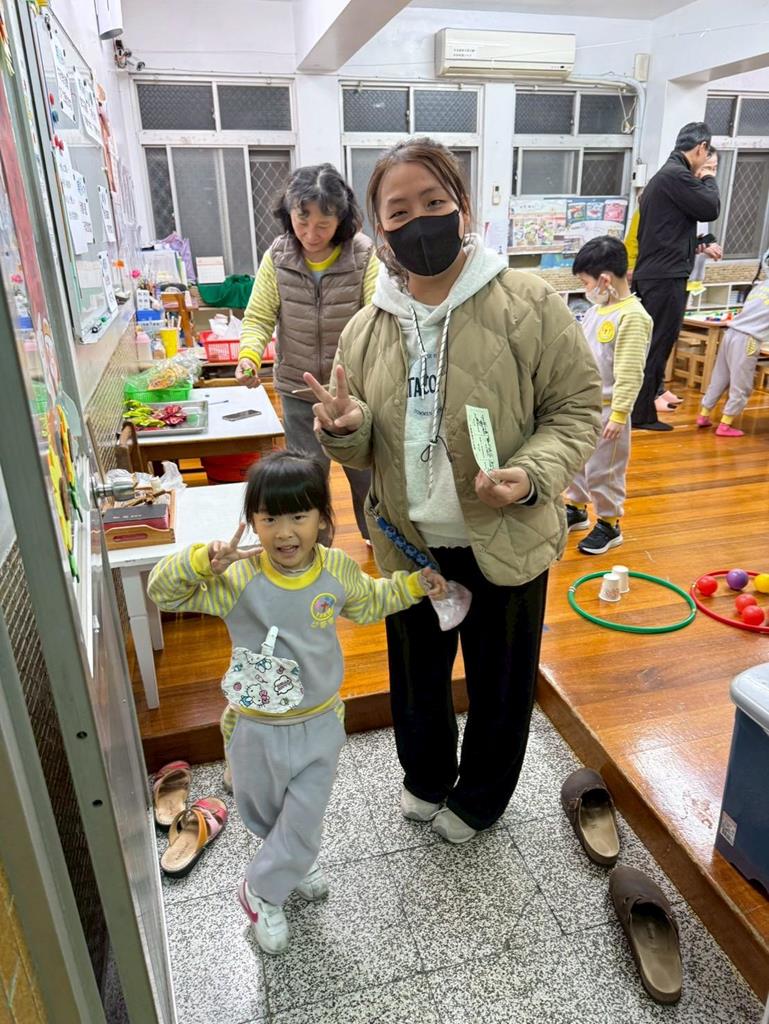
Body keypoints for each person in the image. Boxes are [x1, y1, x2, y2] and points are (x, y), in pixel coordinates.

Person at [304, 138, 601, 845]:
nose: (419, 222)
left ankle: (481, 798)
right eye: (399, 211)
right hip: (409, 545)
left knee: (501, 683)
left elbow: (577, 408)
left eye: (433, 202)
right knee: (416, 679)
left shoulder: (527, 302)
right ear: (380, 228)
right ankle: (427, 775)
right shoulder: (366, 326)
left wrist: (531, 474)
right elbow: (365, 443)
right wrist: (345, 429)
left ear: (463, 206)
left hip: (505, 536)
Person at [147, 451, 447, 954]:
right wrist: (200, 561)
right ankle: (293, 860)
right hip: (255, 728)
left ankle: (260, 891)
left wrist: (413, 586)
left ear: (323, 519)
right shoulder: (238, 578)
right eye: (269, 519)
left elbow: (371, 602)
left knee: (305, 816)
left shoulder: (336, 570)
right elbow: (164, 594)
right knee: (264, 814)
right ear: (252, 522)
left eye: (298, 516)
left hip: (319, 724)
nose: (285, 532)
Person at [235, 164, 379, 541]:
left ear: (341, 219)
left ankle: (377, 540)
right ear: (289, 212)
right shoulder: (278, 255)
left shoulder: (364, 255)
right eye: (302, 221)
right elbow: (259, 315)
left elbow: (378, 320)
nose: (311, 235)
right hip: (299, 391)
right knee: (308, 479)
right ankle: (315, 553)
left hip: (353, 395)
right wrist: (249, 356)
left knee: (366, 476)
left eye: (323, 225)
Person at [631, 124, 722, 431]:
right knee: (657, 345)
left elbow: (666, 232)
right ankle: (641, 414)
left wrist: (697, 244)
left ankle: (641, 410)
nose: (706, 165)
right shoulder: (676, 175)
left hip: (657, 274)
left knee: (655, 344)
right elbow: (710, 207)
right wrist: (708, 177)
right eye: (708, 159)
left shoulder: (666, 176)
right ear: (701, 148)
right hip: (664, 277)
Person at [565, 236, 652, 554]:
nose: (585, 289)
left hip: (608, 409)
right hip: (582, 405)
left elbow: (630, 372)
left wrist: (619, 414)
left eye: (585, 282)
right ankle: (576, 508)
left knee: (605, 469)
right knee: (577, 461)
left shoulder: (633, 317)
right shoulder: (597, 311)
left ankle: (609, 523)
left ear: (604, 280)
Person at [697, 248, 769, 437]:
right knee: (741, 384)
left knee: (720, 377)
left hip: (731, 333)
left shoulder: (761, 285)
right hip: (748, 340)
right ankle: (725, 424)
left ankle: (704, 414)